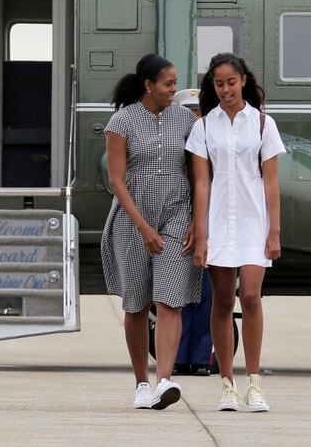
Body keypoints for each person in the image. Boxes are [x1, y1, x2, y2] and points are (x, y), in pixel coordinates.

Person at [101, 54, 202, 410]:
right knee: (137, 303)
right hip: (133, 216)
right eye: (169, 84)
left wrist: (196, 220)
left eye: (175, 83)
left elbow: (197, 174)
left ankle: (165, 381)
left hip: (177, 212)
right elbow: (116, 179)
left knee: (170, 298)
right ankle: (141, 384)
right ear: (149, 85)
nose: (175, 90)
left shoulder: (187, 121)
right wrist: (142, 226)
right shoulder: (122, 121)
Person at [186, 53, 286, 412]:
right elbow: (201, 183)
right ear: (212, 86)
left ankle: (254, 383)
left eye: (231, 81)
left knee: (252, 298)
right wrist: (201, 234)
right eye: (218, 83)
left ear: (243, 79)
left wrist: (273, 231)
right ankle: (227, 384)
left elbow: (271, 182)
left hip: (253, 221)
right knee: (223, 302)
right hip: (217, 221)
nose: (225, 89)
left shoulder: (262, 124)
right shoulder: (203, 126)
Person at [171, 89, 214, 377]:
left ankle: (201, 357)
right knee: (177, 294)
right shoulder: (173, 150)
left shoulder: (213, 146)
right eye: (189, 112)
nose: (194, 117)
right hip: (176, 225)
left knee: (206, 296)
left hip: (208, 227)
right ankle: (176, 355)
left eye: (199, 111)